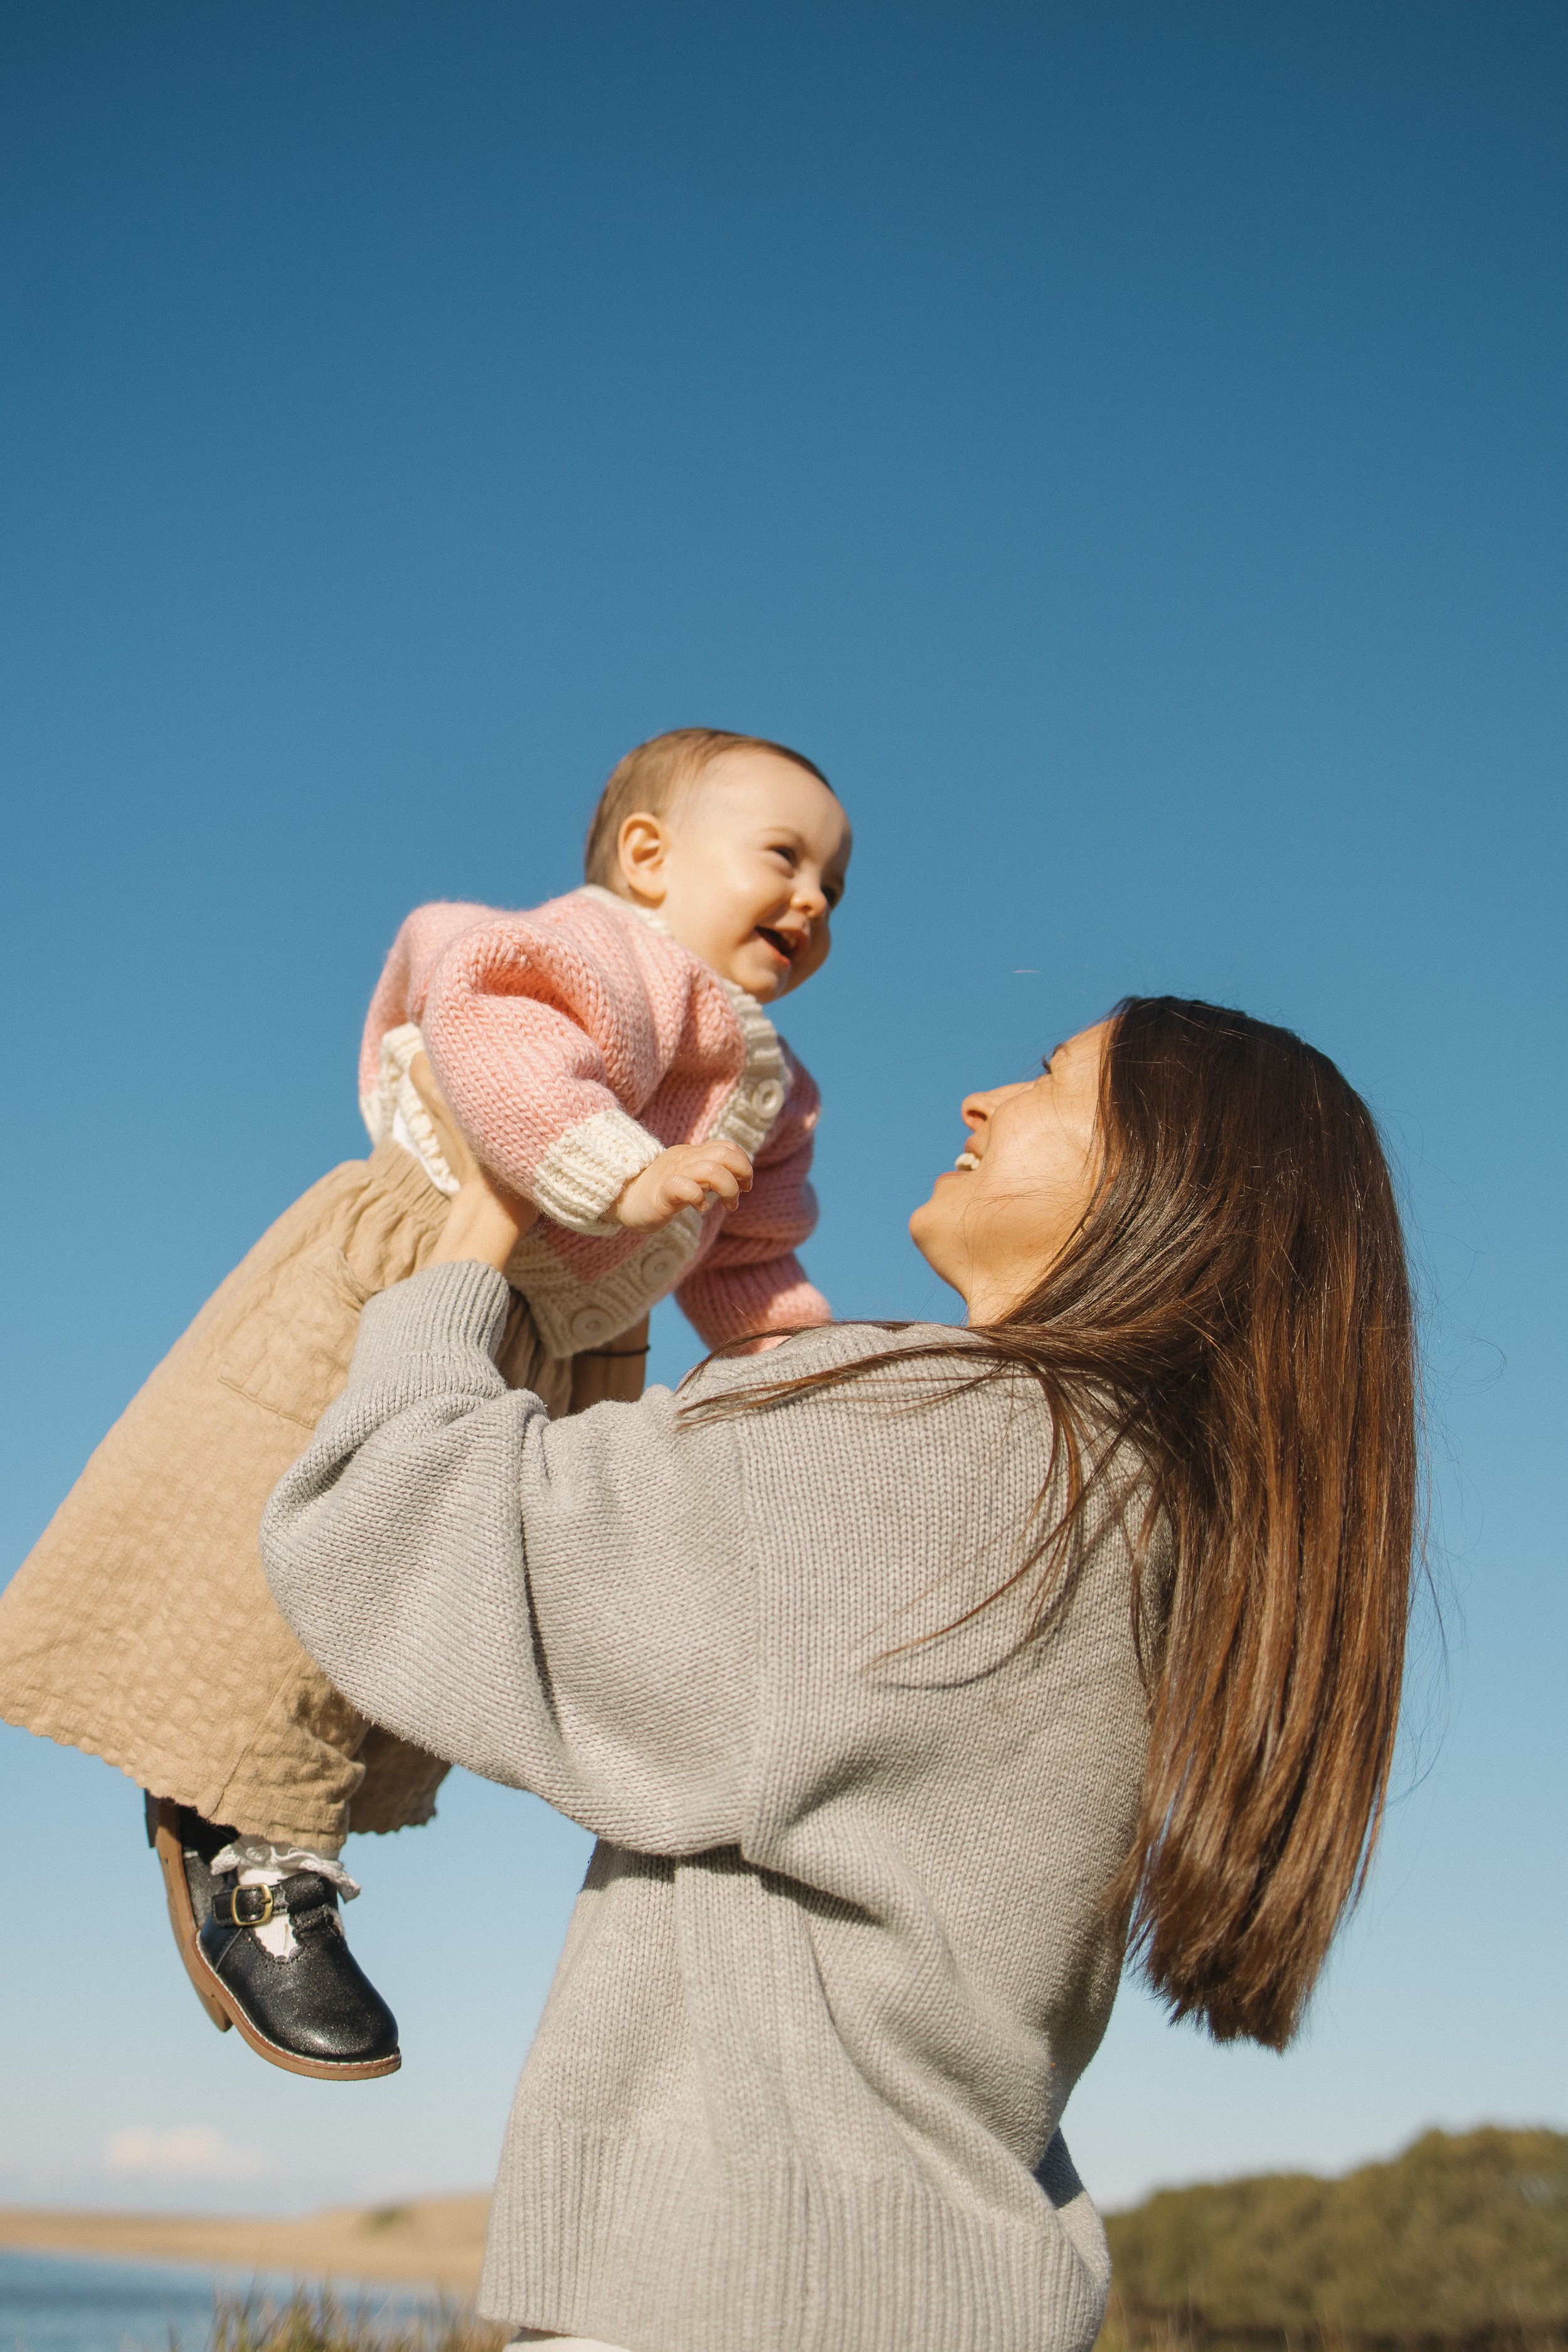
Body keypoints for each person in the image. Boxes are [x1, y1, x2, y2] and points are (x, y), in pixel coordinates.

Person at [260, 997, 1418, 2352]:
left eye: (1051, 1081)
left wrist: (475, 1230)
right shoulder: (1148, 1512)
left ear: (1164, 1182)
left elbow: (389, 1528)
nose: (983, 1097)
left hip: (745, 2296)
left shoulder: (960, 1443)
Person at [0, 726, 851, 2082]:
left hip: (562, 1344)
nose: (811, 903)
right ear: (647, 858)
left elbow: (751, 1257)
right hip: (402, 1273)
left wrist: (800, 1375)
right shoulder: (585, 951)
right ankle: (253, 1844)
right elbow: (491, 1042)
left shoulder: (769, 1085)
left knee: (435, 1602)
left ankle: (286, 1823)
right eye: (784, 859)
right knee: (288, 1556)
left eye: (833, 890)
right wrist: (611, 1170)